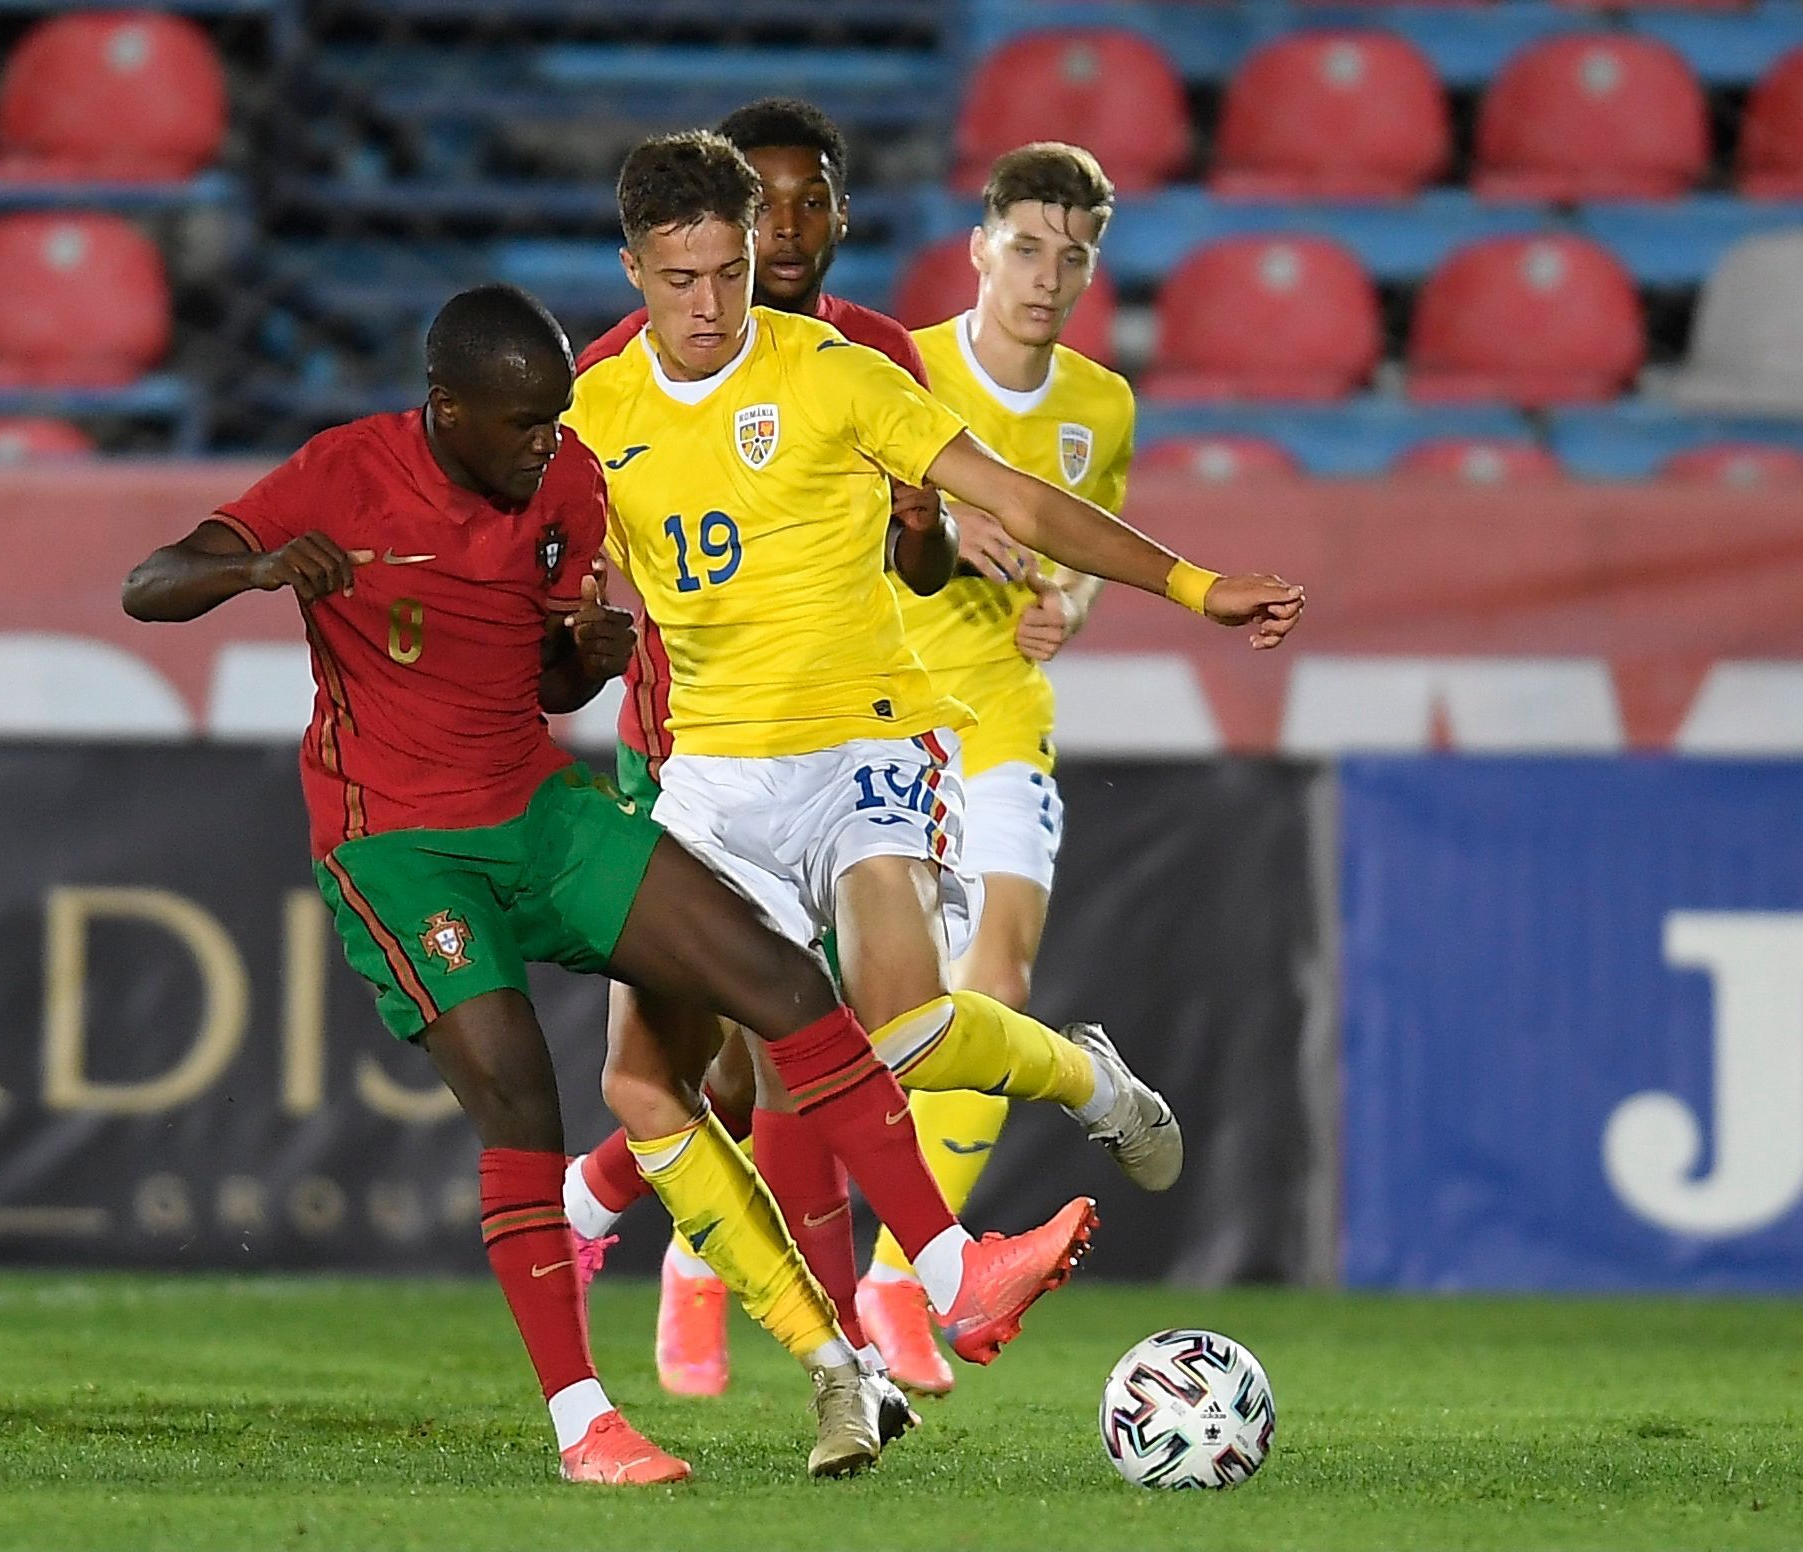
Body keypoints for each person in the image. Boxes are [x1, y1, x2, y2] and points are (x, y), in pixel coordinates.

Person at [120, 283, 1095, 1483]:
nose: (547, 444)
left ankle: (952, 1272)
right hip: (400, 841)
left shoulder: (567, 484)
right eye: (523, 424)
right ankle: (585, 1420)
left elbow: (540, 684)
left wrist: (577, 660)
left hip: (536, 811)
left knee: (780, 978)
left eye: (553, 420)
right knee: (522, 1094)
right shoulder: (343, 473)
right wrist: (263, 566)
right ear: (446, 410)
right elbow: (149, 583)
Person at [559, 128, 1304, 1410]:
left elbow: (1013, 498)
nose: (710, 303)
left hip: (863, 743)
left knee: (868, 1034)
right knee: (668, 1076)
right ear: (633, 270)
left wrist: (1191, 584)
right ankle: (1046, 1118)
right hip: (702, 779)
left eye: (729, 272)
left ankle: (895, 1296)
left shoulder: (842, 373)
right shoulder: (595, 411)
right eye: (680, 279)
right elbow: (554, 579)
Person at [566, 96, 956, 1400]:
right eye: (764, 203)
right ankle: (715, 1268)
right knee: (726, 1067)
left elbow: (929, 558)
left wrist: (924, 523)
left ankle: (833, 1333)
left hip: (830, 749)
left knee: (809, 1046)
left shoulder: (874, 352)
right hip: (678, 754)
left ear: (842, 211)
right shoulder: (631, 367)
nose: (787, 228)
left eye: (810, 199)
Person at [855, 142, 1137, 1397]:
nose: (1046, 274)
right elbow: (832, 515)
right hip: (880, 715)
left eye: (1071, 254)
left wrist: (1064, 607)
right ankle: (706, 1267)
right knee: (844, 1018)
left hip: (1002, 720)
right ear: (976, 246)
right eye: (1025, 245)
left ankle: (897, 1282)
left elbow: (1081, 556)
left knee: (999, 980)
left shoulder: (1100, 406)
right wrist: (936, 522)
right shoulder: (899, 366)